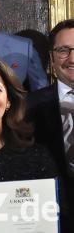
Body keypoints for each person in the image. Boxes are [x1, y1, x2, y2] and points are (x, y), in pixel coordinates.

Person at [27, 19, 74, 231]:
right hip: (50, 217)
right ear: (52, 59)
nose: (72, 58)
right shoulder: (28, 107)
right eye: (64, 50)